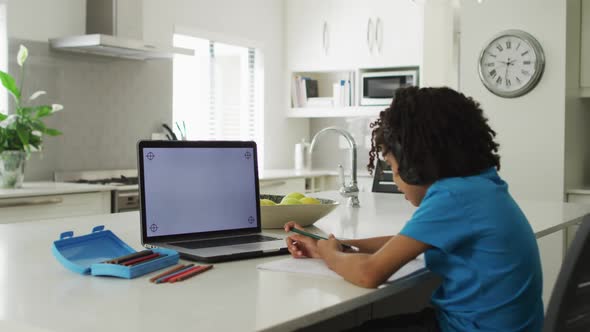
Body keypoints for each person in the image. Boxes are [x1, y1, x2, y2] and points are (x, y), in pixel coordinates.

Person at [284, 86, 543, 332]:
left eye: (391, 165)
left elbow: (368, 273)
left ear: (415, 160)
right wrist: (337, 245)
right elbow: (405, 244)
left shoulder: (453, 196)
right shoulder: (480, 186)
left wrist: (331, 256)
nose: (395, 180)